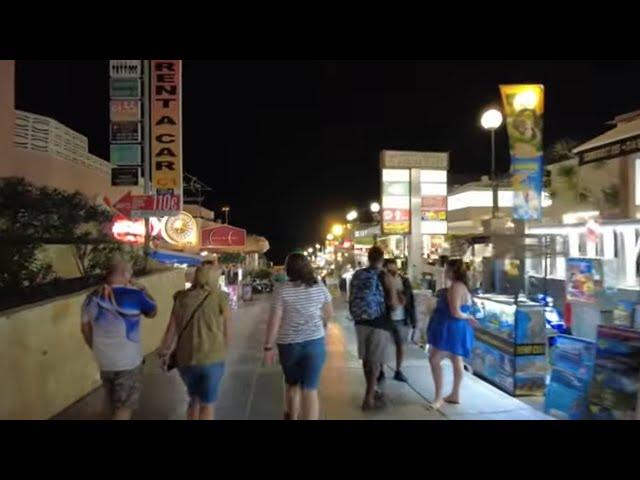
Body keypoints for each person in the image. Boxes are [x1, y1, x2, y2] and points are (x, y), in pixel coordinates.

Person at [80, 257, 157, 420]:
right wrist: (143, 288)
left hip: (104, 360)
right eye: (130, 273)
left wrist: (94, 346)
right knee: (124, 407)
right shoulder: (135, 295)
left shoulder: (91, 298)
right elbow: (152, 311)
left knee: (111, 402)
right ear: (125, 274)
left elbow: (85, 327)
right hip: (127, 362)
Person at [263, 253, 333, 420]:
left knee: (292, 384)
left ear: (288, 270)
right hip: (314, 343)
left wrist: (268, 347)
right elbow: (329, 313)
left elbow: (274, 321)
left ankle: (292, 416)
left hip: (289, 345)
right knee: (310, 389)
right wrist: (321, 325)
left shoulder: (282, 291)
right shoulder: (319, 286)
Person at [159, 264, 230, 420]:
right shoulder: (220, 297)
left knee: (194, 399)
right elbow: (226, 330)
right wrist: (225, 350)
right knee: (207, 404)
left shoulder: (180, 297)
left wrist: (164, 352)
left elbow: (171, 329)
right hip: (212, 357)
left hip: (185, 359)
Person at [426, 259, 477, 410]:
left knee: (434, 359)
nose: (444, 271)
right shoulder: (463, 287)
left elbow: (455, 311)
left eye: (446, 269)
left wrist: (467, 317)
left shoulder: (456, 287)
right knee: (456, 359)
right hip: (458, 328)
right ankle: (455, 394)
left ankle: (438, 398)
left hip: (451, 328)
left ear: (452, 271)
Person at [349, 246, 393, 410]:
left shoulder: (358, 274)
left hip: (360, 321)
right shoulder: (383, 275)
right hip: (378, 321)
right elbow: (393, 301)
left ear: (368, 258)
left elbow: (351, 295)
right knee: (375, 360)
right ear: (382, 259)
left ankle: (372, 389)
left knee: (366, 359)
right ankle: (368, 397)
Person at [381, 259, 416, 383]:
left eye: (394, 270)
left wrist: (413, 320)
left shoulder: (404, 281)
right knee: (382, 346)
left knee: (400, 345)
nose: (392, 273)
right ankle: (381, 370)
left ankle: (398, 370)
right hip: (385, 318)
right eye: (389, 271)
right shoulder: (381, 282)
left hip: (401, 318)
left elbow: (409, 301)